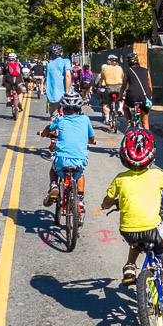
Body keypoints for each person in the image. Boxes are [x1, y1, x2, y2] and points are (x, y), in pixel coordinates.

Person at [100, 128, 163, 293]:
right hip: (152, 228)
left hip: (127, 231)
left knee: (137, 238)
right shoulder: (156, 175)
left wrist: (108, 205)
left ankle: (130, 267)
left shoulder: (120, 179)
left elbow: (107, 201)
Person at [39, 92, 96, 221]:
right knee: (80, 174)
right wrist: (92, 141)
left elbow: (49, 128)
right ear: (80, 108)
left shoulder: (60, 120)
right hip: (79, 160)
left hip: (62, 160)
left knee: (53, 168)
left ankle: (53, 185)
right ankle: (80, 200)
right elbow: (91, 138)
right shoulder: (85, 119)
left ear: (63, 109)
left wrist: (44, 133)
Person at [44, 44, 73, 151]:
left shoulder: (49, 64)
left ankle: (53, 141)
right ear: (61, 53)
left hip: (52, 96)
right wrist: (67, 91)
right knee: (69, 117)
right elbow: (68, 75)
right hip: (65, 95)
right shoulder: (66, 61)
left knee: (53, 118)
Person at [119, 51, 153, 130]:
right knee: (145, 121)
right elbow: (150, 86)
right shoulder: (146, 71)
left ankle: (129, 123)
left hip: (132, 96)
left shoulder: (128, 71)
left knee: (125, 107)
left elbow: (123, 86)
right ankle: (148, 139)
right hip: (145, 96)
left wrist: (120, 97)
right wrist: (150, 95)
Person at [99, 53, 124, 125]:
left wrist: (100, 84)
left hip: (109, 87)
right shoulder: (120, 68)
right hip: (119, 87)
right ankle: (120, 107)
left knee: (105, 103)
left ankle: (106, 118)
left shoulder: (104, 68)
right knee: (121, 98)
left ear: (109, 61)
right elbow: (122, 77)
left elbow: (102, 78)